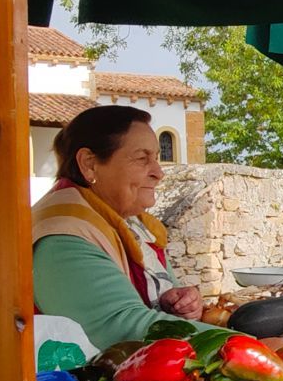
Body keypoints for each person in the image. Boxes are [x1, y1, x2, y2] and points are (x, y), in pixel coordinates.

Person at [32, 106, 206, 349]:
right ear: (89, 164)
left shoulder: (130, 224)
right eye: (142, 158)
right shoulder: (64, 236)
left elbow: (166, 299)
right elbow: (123, 327)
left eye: (156, 157)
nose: (158, 173)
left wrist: (180, 302)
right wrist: (248, 346)